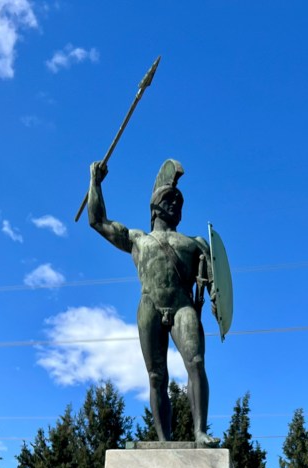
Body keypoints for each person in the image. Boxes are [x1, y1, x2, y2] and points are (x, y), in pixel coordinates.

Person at [88, 158, 219, 446]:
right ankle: (163, 440)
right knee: (156, 376)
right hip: (150, 306)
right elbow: (98, 221)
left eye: (179, 202)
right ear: (155, 206)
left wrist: (216, 300)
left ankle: (199, 432)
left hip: (183, 306)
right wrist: (95, 182)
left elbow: (216, 283)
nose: (176, 205)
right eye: (170, 199)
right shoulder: (138, 239)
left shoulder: (195, 243)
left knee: (196, 363)